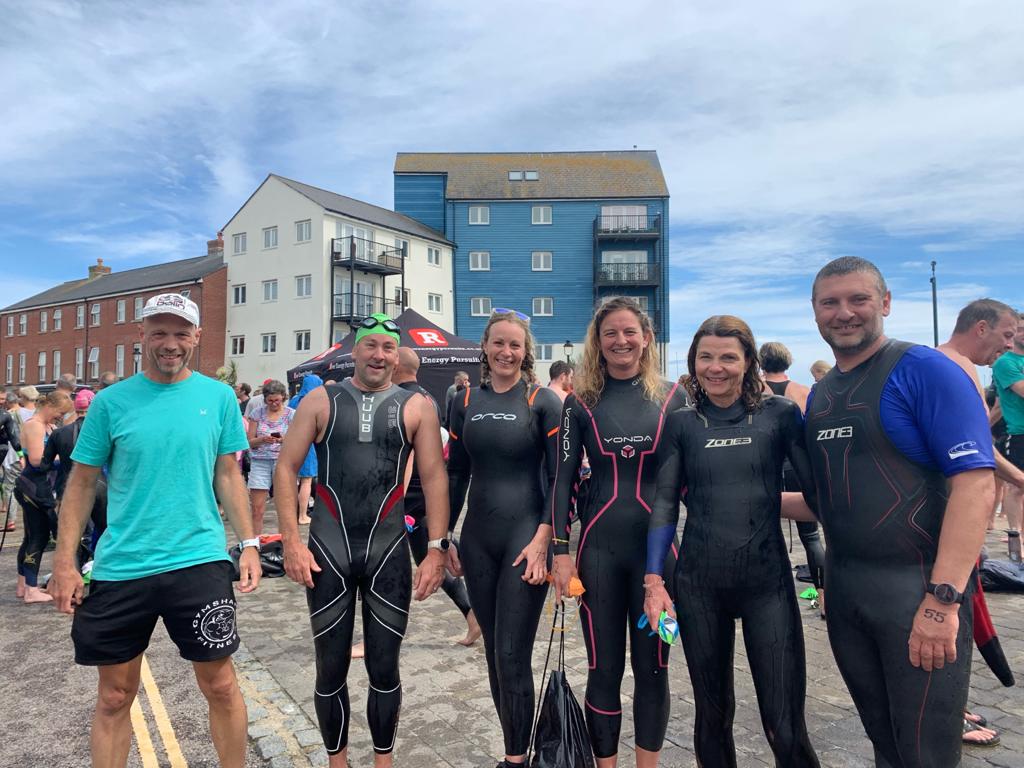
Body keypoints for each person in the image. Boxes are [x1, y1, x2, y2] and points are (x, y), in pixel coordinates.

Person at [795, 257, 995, 767]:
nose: (844, 313)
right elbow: (825, 500)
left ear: (884, 303)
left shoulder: (924, 370)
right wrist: (720, 496)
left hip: (917, 593)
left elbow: (975, 485)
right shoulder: (821, 395)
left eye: (858, 299)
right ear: (815, 313)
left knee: (925, 755)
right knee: (886, 747)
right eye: (830, 302)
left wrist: (943, 601)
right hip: (848, 598)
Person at [47, 292, 260, 768]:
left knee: (222, 686)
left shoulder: (219, 397)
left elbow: (228, 473)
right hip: (124, 564)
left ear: (197, 338)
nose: (170, 343)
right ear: (141, 336)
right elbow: (81, 484)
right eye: (159, 332)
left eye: (181, 333)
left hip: (199, 559)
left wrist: (247, 543)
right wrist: (64, 563)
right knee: (115, 696)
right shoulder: (110, 403)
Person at [274, 313, 449, 768]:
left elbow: (433, 478)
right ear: (354, 351)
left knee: (385, 667)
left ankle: (382, 760)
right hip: (327, 551)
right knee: (329, 667)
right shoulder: (320, 399)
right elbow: (285, 467)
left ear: (398, 355)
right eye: (370, 346)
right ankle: (337, 760)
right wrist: (292, 542)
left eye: (387, 348)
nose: (378, 355)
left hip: (387, 552)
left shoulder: (417, 407)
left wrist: (436, 549)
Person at [644, 316, 820, 768]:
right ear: (693, 362)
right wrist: (654, 581)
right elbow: (664, 503)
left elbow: (821, 493)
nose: (715, 367)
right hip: (700, 585)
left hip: (769, 586)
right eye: (706, 356)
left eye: (728, 357)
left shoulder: (779, 415)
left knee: (784, 723)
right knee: (712, 717)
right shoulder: (682, 423)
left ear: (748, 362)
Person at [549, 297, 687, 768]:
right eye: (611, 333)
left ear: (646, 337)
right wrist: (560, 553)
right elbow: (563, 479)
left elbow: (692, 478)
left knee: (654, 671)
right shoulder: (580, 402)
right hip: (599, 554)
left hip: (660, 562)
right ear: (598, 342)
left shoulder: (674, 398)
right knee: (603, 670)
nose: (621, 341)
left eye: (630, 332)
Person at [447, 308, 561, 768]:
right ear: (485, 347)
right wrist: (442, 538)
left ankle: (518, 761)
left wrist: (545, 540)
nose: (506, 352)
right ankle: (515, 751)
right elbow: (456, 473)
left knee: (513, 653)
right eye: (499, 343)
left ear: (526, 352)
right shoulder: (463, 401)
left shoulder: (543, 401)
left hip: (525, 539)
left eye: (515, 345)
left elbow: (559, 478)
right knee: (495, 653)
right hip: (477, 539)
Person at [938, 297, 1022, 747]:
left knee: (967, 617)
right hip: (946, 515)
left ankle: (955, 705)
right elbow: (974, 450)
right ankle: (951, 710)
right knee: (957, 618)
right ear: (982, 327)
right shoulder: (955, 367)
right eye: (1007, 336)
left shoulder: (949, 363)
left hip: (948, 514)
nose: (1007, 347)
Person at [392, 347, 479, 646]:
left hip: (411, 500)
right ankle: (474, 614)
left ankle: (474, 613)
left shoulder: (401, 400)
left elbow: (409, 453)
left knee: (418, 562)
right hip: (426, 496)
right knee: (432, 557)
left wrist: (397, 495)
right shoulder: (427, 397)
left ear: (395, 367)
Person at [760, 341, 826, 615]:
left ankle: (766, 599)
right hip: (798, 467)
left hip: (767, 467)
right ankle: (824, 598)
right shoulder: (803, 391)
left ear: (761, 362)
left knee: (761, 532)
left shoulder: (754, 390)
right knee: (810, 537)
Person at [14, 390, 73, 603]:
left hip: (41, 487)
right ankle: (31, 590)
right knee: (38, 537)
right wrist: (64, 458)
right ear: (50, 407)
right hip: (32, 487)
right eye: (60, 413)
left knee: (30, 537)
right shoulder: (34, 425)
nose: (60, 417)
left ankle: (23, 585)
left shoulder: (49, 426)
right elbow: (38, 461)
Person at [246, 379, 294, 535]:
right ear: (265, 399)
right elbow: (249, 442)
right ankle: (255, 541)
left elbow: (297, 440)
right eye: (270, 401)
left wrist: (282, 439)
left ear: (283, 398)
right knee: (257, 508)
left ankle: (283, 542)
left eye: (277, 401)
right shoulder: (257, 413)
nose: (274, 404)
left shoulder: (291, 414)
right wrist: (262, 439)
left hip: (282, 461)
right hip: (260, 461)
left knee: (284, 507)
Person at [993, 311, 1024, 537]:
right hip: (1019, 433)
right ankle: (1017, 539)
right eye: (1019, 330)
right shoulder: (1005, 363)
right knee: (1017, 488)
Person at [288, 375, 322, 526]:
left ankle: (292, 514)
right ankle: (302, 515)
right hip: (308, 445)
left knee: (293, 481)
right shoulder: (316, 400)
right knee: (306, 481)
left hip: (291, 444)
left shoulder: (294, 400)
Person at [0, 393, 22, 532]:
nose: (2, 401)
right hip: (3, 449)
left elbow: (14, 436)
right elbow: (13, 436)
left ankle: (10, 521)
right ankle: (10, 520)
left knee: (7, 486)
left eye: (3, 398)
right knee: (7, 486)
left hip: (3, 450)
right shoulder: (6, 415)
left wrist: (20, 455)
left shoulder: (6, 415)